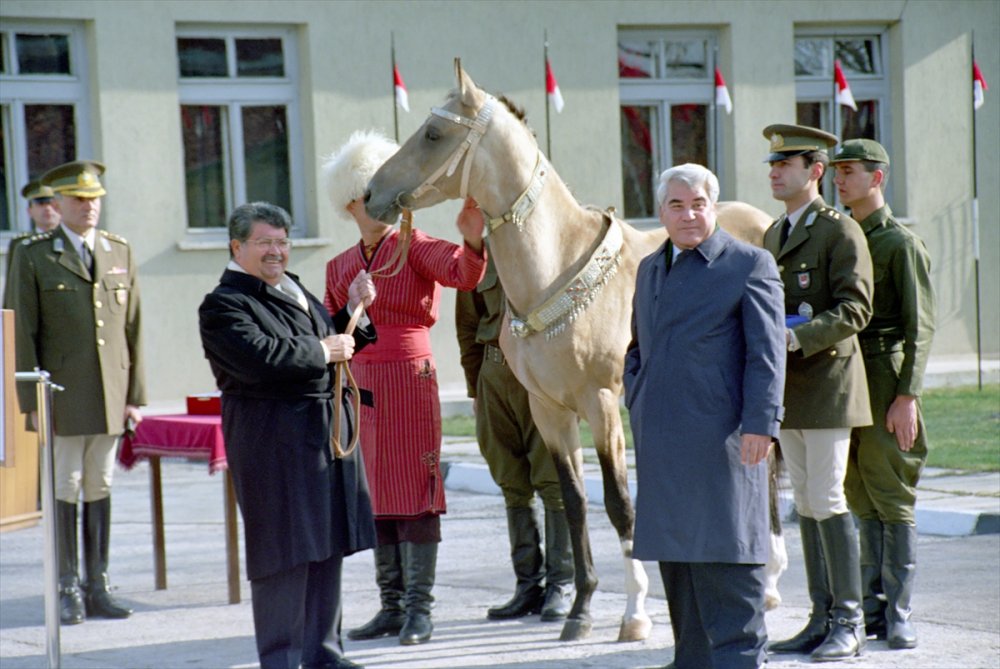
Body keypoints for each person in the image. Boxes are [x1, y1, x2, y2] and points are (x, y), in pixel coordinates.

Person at [323, 129, 486, 646]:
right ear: (352, 204)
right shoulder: (338, 267)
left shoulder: (414, 245)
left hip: (410, 381)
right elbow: (330, 330)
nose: (386, 204)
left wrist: (473, 237)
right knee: (375, 494)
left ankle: (419, 609)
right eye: (373, 195)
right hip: (362, 386)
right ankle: (391, 606)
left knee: (416, 491)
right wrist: (352, 306)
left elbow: (463, 274)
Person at [198, 201, 377, 669]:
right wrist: (322, 349)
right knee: (284, 554)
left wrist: (353, 311)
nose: (276, 251)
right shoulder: (224, 304)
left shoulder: (291, 287)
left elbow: (329, 341)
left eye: (282, 242)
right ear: (237, 246)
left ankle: (324, 655)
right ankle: (281, 659)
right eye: (264, 242)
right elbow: (260, 358)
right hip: (273, 443)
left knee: (325, 547)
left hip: (320, 436)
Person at [624, 163, 786, 669]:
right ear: (661, 212)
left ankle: (740, 660)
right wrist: (637, 394)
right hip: (662, 442)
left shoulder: (749, 264)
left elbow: (767, 354)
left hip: (725, 441)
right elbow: (637, 346)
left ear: (714, 207)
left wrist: (761, 424)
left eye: (698, 204)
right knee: (679, 565)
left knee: (727, 557)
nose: (689, 214)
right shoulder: (650, 267)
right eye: (677, 205)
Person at [8, 160, 145, 625]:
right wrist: (29, 400)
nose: (89, 207)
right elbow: (22, 332)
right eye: (79, 200)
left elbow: (133, 329)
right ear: (60, 203)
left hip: (110, 393)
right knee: (64, 485)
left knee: (100, 483)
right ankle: (67, 586)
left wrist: (134, 396)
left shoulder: (117, 249)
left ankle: (97, 584)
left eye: (95, 199)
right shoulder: (33, 254)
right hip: (61, 396)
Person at [761, 125, 874, 662]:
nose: (775, 173)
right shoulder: (773, 234)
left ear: (816, 171)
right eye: (773, 164)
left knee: (827, 497)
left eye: (786, 164)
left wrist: (797, 336)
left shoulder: (838, 231)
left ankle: (849, 622)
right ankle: (820, 615)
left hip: (828, 384)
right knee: (804, 501)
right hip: (789, 388)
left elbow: (856, 308)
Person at [831, 139, 936, 650]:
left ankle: (899, 613)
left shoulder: (899, 243)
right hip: (845, 376)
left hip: (884, 374)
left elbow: (921, 328)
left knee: (892, 495)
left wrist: (907, 396)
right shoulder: (841, 237)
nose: (838, 179)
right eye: (836, 171)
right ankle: (871, 610)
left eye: (849, 171)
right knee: (857, 492)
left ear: (877, 178)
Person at [455, 248, 573, 622]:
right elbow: (467, 324)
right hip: (493, 374)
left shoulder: (549, 244)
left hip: (541, 376)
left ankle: (561, 583)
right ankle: (527, 586)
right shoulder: (480, 254)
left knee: (552, 481)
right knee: (512, 484)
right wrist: (476, 388)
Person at [3, 179, 61, 298]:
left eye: (51, 203)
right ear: (29, 211)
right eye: (41, 204)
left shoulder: (72, 240)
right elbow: (12, 287)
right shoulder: (20, 244)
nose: (47, 208)